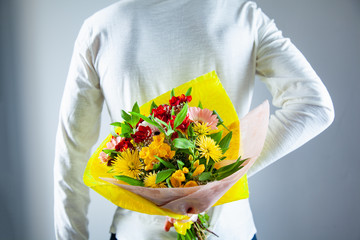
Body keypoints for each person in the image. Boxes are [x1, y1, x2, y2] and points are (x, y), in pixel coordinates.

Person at [54, 0, 334, 239]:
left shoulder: (101, 29)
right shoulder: (242, 15)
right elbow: (314, 105)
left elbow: (72, 152)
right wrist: (218, 176)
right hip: (230, 232)